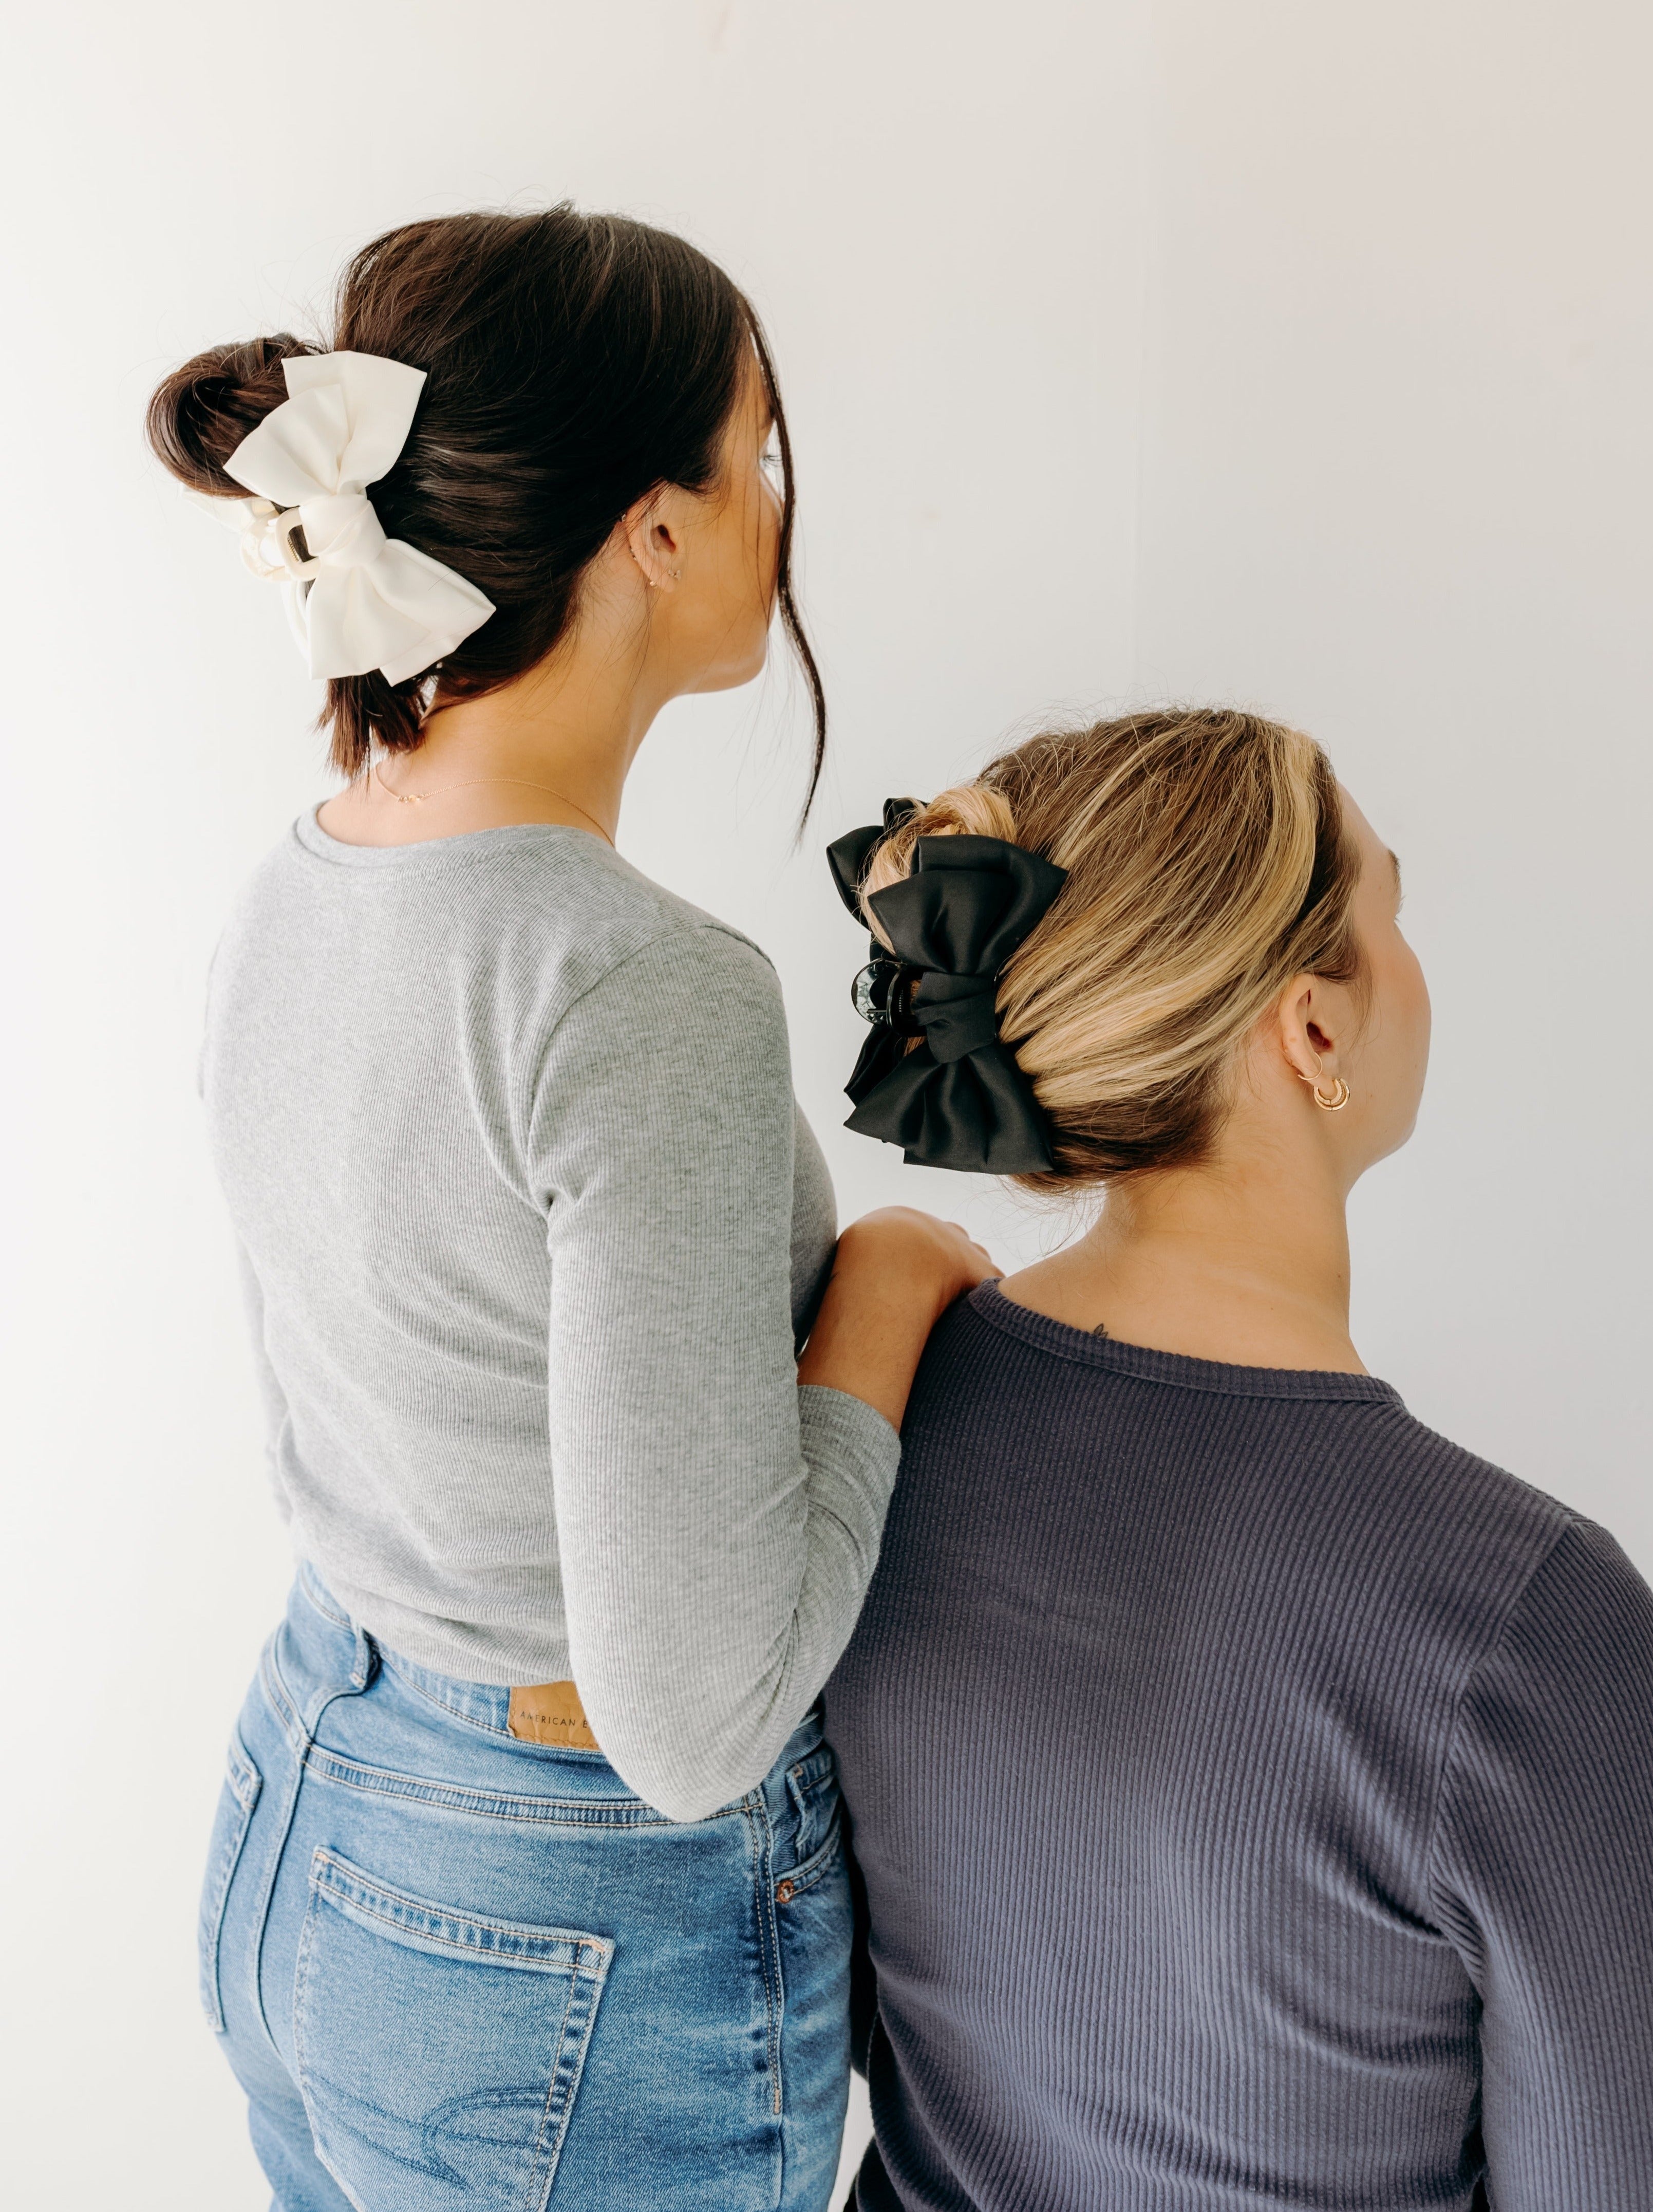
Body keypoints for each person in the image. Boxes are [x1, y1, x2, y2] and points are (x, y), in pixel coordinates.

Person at [147, 205, 991, 2212]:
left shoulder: (302, 879)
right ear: (658, 530)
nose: (780, 512)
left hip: (310, 1816)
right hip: (553, 1920)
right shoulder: (637, 986)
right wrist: (883, 1284)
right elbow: (690, 1721)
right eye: (753, 453)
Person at [822, 708, 1653, 2211]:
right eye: (1387, 910)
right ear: (1312, 1028)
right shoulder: (1528, 1617)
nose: (1411, 964)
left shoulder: (868, 1429)